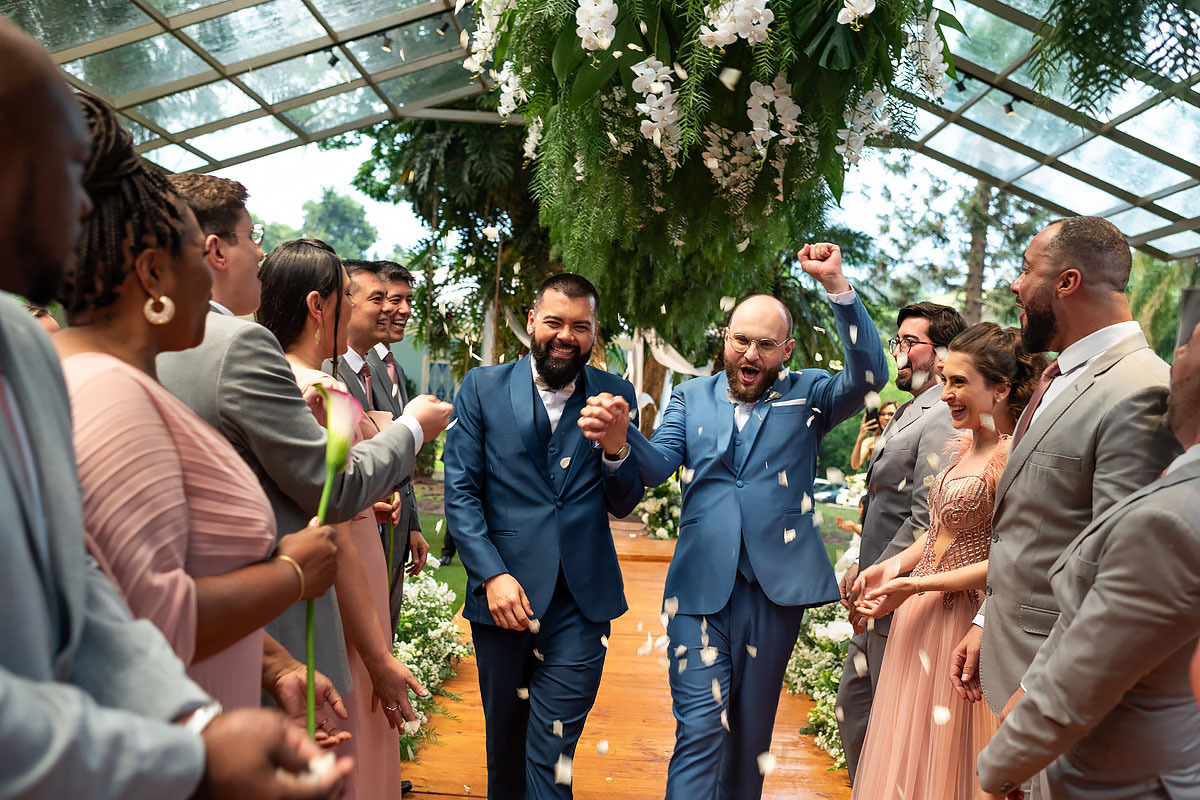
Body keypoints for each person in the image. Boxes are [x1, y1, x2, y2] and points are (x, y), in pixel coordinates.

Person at [0, 15, 347, 798]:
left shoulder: (22, 348)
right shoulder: (108, 392)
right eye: (63, 165)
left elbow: (87, 594)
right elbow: (148, 607)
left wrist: (199, 723)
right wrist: (290, 576)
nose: (81, 209)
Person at [55, 92, 340, 713]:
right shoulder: (113, 394)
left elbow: (129, 582)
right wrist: (289, 576)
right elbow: (143, 621)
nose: (209, 279)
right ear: (153, 274)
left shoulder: (111, 381)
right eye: (194, 256)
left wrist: (274, 666)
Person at [581, 243, 887, 800]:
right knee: (700, 727)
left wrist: (837, 287)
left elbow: (869, 376)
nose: (751, 353)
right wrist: (622, 441)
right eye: (741, 340)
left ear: (786, 350)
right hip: (699, 590)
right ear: (725, 339)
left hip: (775, 592)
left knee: (749, 739)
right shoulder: (690, 396)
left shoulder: (810, 395)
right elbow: (657, 465)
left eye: (766, 345)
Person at [157, 174, 453, 708]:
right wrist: (411, 429)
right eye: (253, 237)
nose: (260, 252)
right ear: (216, 250)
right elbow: (330, 489)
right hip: (269, 602)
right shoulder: (245, 348)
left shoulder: (164, 341)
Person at [950, 218, 1180, 796]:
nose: (1015, 284)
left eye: (1027, 270)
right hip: (1015, 657)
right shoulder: (1062, 374)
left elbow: (1120, 572)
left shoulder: (1141, 390)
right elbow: (1037, 527)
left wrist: (1041, 690)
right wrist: (988, 618)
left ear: (1068, 282)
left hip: (1059, 690)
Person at [978, 318, 1200, 799]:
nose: (1176, 354)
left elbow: (1089, 666)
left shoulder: (1171, 518)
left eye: (1190, 345)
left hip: (1120, 775)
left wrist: (1000, 768)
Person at [443, 273, 643, 799]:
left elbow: (623, 501)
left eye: (580, 326)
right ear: (532, 321)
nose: (566, 336)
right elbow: (461, 494)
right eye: (555, 322)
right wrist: (491, 575)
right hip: (503, 599)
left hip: (582, 602)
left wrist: (617, 449)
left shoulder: (616, 395)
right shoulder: (481, 388)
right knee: (505, 752)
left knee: (552, 752)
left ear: (594, 331)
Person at [849, 323, 1044, 799]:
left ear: (1000, 388)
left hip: (963, 621)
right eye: (944, 380)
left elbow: (1009, 558)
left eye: (958, 382)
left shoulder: (1012, 455)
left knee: (950, 761)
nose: (945, 395)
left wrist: (917, 585)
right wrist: (894, 567)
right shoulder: (964, 447)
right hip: (921, 615)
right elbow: (939, 532)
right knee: (909, 755)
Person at [259, 239, 419, 800]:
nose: (355, 307)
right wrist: (378, 657)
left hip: (332, 576)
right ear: (317, 305)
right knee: (356, 734)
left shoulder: (272, 379)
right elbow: (334, 520)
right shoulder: (319, 390)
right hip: (345, 591)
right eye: (347, 295)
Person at [835, 301, 965, 781]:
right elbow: (883, 504)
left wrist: (879, 576)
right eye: (899, 341)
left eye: (911, 342)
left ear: (943, 352)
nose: (899, 353)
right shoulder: (909, 408)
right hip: (875, 586)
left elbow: (927, 518)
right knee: (854, 713)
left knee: (885, 730)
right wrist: (859, 561)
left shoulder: (944, 414)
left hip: (901, 596)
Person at [341, 259, 428, 629]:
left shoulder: (389, 366)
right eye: (385, 300)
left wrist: (411, 523)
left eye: (407, 301)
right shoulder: (333, 371)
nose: (399, 311)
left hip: (391, 521)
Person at [849, 399, 897, 470]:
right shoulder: (870, 442)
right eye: (882, 414)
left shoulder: (903, 441)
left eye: (891, 414)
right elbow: (855, 465)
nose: (886, 417)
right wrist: (860, 438)